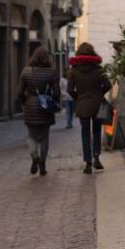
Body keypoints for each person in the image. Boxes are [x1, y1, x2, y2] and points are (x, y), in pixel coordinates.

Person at [68, 42, 112, 174]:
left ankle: (87, 163)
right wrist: (99, 94)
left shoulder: (74, 70)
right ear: (92, 52)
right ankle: (97, 157)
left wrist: (78, 98)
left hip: (82, 104)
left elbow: (70, 89)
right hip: (97, 104)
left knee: (85, 133)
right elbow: (108, 85)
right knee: (97, 131)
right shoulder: (99, 70)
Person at [17, 46, 60, 176]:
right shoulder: (52, 72)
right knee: (44, 137)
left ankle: (34, 156)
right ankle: (42, 163)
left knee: (31, 135)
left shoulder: (26, 71)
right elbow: (57, 92)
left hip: (30, 106)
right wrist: (50, 100)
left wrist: (26, 102)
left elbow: (19, 92)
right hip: (45, 107)